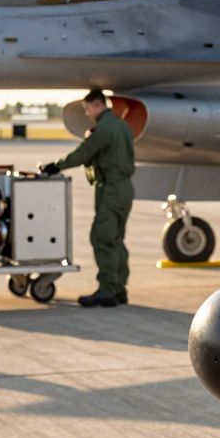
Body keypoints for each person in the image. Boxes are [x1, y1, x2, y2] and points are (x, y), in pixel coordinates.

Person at [40, 90, 135, 307]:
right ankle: (119, 289)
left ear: (98, 105)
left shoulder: (103, 129)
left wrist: (55, 166)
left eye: (88, 109)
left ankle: (107, 290)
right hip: (125, 188)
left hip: (110, 189)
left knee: (102, 237)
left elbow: (84, 153)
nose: (87, 113)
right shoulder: (122, 126)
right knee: (116, 239)